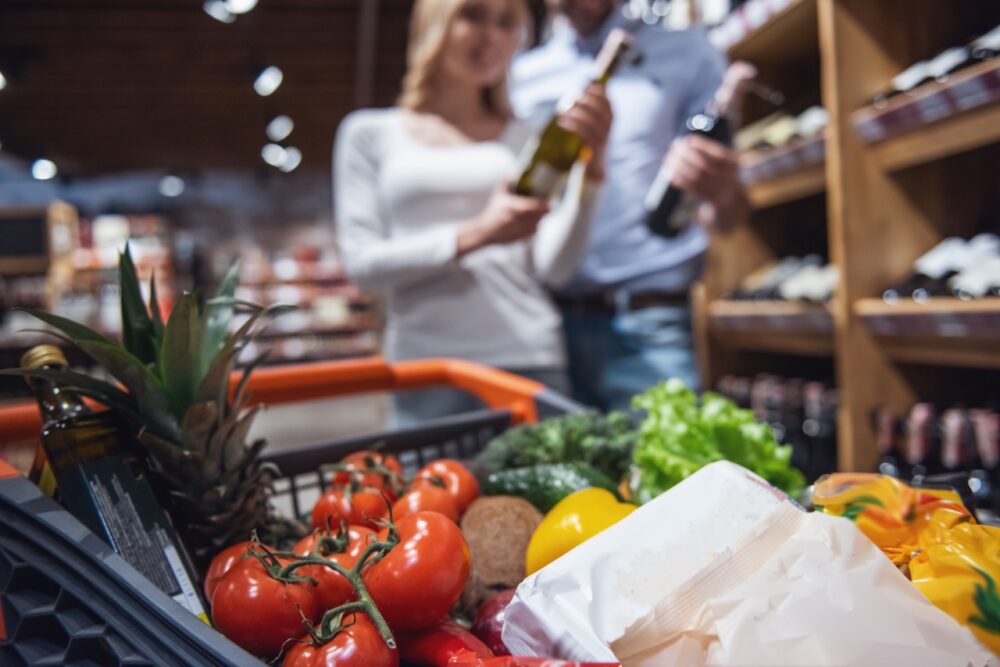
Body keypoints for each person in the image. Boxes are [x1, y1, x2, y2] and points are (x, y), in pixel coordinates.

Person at [333, 0, 613, 423]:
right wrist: (479, 232)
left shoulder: (529, 136)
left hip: (527, 357)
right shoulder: (370, 134)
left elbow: (554, 266)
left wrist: (591, 174)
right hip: (423, 369)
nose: (492, 36)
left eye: (506, 23)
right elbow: (364, 267)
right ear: (435, 22)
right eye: (474, 15)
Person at [511, 0, 749, 411]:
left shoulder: (689, 53)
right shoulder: (520, 77)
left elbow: (727, 218)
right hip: (543, 331)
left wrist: (721, 191)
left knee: (670, 474)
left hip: (651, 328)